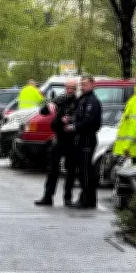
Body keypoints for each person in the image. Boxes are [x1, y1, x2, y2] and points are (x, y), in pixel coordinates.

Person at [35, 79, 78, 207]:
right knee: (53, 168)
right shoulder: (61, 99)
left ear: (76, 89)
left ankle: (68, 198)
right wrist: (49, 105)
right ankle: (48, 196)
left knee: (70, 170)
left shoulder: (78, 102)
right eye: (68, 87)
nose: (70, 90)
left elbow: (82, 118)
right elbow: (43, 112)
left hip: (72, 139)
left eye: (72, 88)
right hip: (59, 137)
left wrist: (70, 119)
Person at [66, 76, 102, 209]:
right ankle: (86, 198)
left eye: (85, 84)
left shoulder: (92, 101)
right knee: (82, 171)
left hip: (87, 138)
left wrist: (74, 127)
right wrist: (70, 119)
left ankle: (87, 200)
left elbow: (88, 121)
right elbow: (77, 115)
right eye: (81, 84)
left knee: (86, 171)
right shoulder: (82, 99)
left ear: (92, 84)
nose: (82, 86)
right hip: (80, 139)